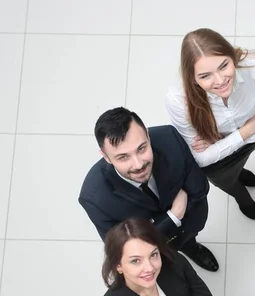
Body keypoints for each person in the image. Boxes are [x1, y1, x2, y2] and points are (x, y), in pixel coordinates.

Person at [79, 107, 219, 272]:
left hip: (191, 222)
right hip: (155, 250)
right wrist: (173, 217)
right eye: (123, 157)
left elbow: (199, 189)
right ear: (105, 156)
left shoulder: (169, 137)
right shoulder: (94, 198)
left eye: (141, 149)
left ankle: (191, 246)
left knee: (188, 240)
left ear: (147, 135)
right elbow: (125, 248)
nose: (138, 165)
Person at [166, 28, 255, 220]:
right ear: (192, 79)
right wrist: (246, 131)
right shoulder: (178, 100)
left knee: (239, 165)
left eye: (223, 66)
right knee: (227, 182)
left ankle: (240, 172)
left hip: (243, 141)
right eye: (205, 76)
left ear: (232, 57)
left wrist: (221, 141)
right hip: (223, 157)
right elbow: (200, 159)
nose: (220, 81)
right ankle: (242, 197)